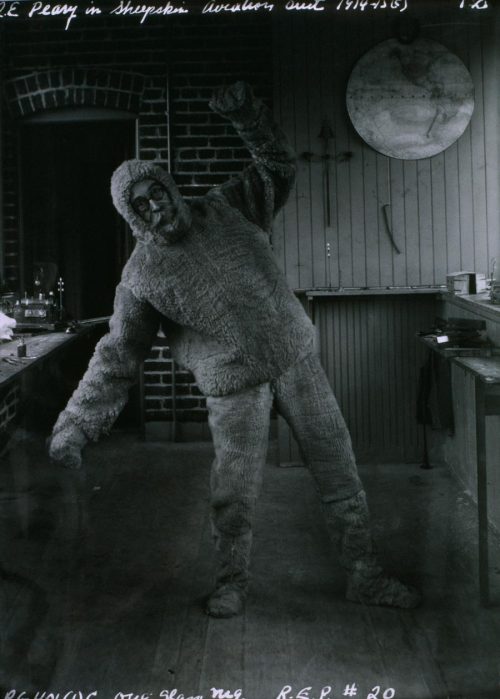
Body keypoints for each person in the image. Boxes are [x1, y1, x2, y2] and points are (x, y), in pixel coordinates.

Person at [49, 81, 421, 618]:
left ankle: (365, 575)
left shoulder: (228, 207)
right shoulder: (141, 278)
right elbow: (117, 355)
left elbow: (279, 168)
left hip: (297, 358)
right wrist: (76, 425)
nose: (155, 206)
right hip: (233, 385)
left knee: (339, 469)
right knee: (234, 491)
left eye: (158, 191)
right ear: (131, 216)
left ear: (170, 186)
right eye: (141, 204)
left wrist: (248, 116)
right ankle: (232, 583)